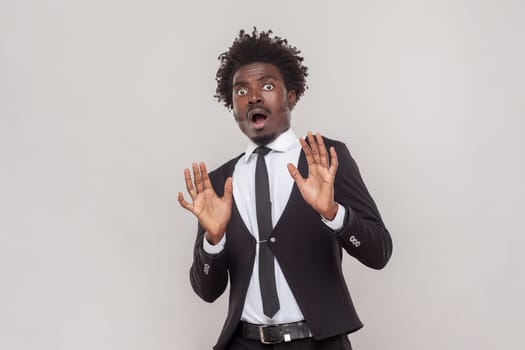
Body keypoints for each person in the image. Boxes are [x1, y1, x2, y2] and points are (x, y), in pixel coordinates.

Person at [178, 28, 392, 350]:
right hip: (243, 343)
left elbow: (379, 253)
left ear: (291, 96)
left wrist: (333, 214)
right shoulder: (219, 183)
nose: (252, 97)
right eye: (240, 91)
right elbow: (207, 291)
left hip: (318, 342)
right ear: (233, 107)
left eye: (266, 85)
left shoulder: (326, 160)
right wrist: (214, 240)